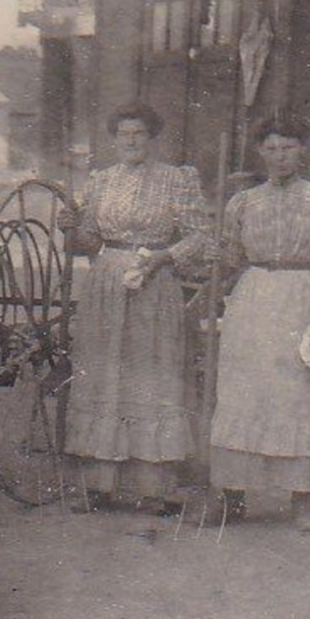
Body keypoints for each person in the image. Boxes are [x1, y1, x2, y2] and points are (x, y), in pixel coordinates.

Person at [59, 104, 209, 514]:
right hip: (107, 283)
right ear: (113, 139)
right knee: (105, 374)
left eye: (139, 133)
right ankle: (99, 484)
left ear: (152, 138)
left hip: (155, 285)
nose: (131, 141)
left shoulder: (176, 180)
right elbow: (89, 241)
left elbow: (200, 237)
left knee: (150, 375)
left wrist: (164, 257)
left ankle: (154, 488)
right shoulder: (100, 182)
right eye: (123, 134)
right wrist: (70, 226)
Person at [209, 114, 310, 532]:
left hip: (299, 299)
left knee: (296, 397)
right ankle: (233, 497)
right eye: (270, 148)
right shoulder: (243, 202)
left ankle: (300, 499)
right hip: (252, 300)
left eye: (288, 147)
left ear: (302, 151)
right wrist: (218, 253)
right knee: (242, 394)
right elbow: (230, 260)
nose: (279, 156)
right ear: (260, 153)